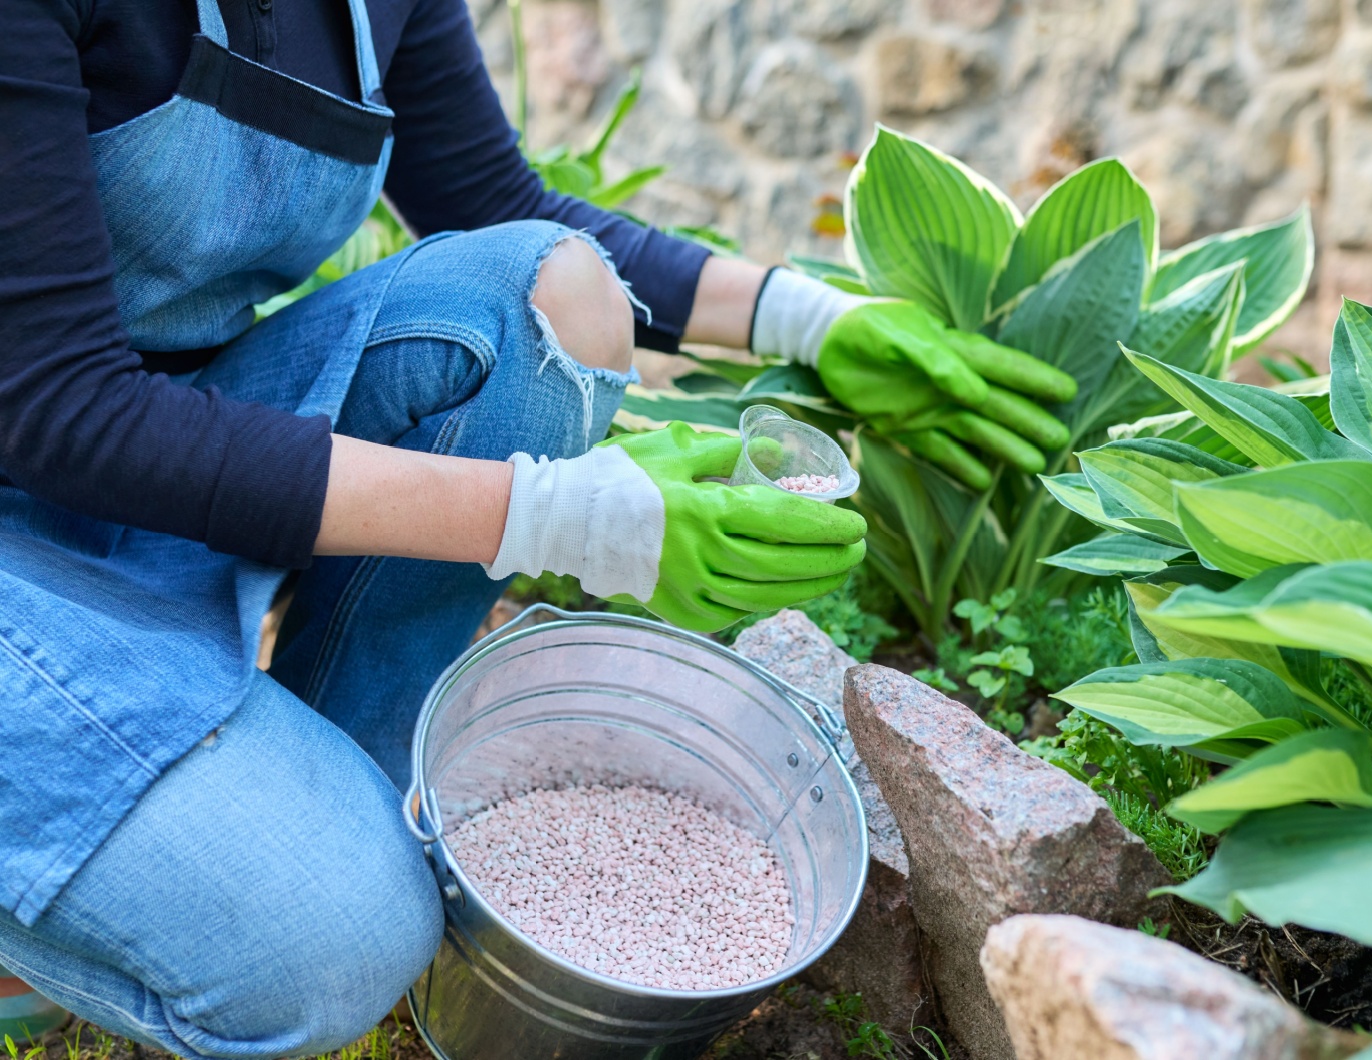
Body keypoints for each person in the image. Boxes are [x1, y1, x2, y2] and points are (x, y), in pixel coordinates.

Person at [0, 1, 1078, 1055]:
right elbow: (57, 406)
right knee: (337, 946)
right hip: (46, 469)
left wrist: (810, 318)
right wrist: (561, 516)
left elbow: (492, 197)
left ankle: (292, 801)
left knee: (545, 294)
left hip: (161, 462)